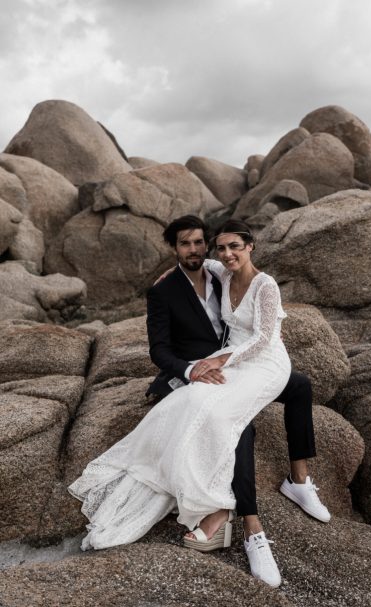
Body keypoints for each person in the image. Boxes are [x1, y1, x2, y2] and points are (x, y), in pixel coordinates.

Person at [69, 217, 330, 589]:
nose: (196, 250)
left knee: (300, 387)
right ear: (174, 249)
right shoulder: (165, 290)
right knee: (236, 424)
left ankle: (299, 480)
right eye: (185, 244)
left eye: (199, 243)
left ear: (242, 246)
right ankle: (243, 521)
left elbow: (261, 332)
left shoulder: (222, 271)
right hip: (199, 369)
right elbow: (158, 350)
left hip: (241, 361)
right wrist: (191, 371)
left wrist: (223, 359)